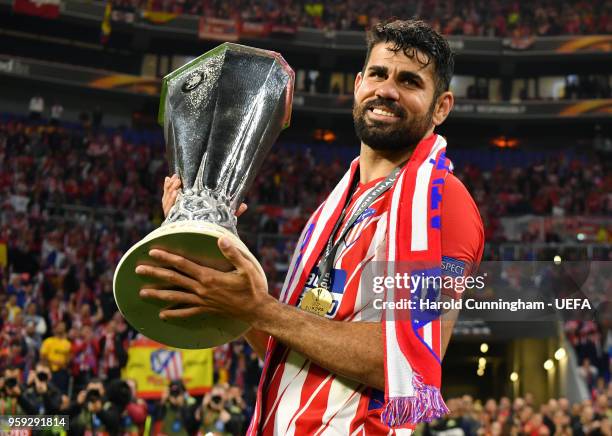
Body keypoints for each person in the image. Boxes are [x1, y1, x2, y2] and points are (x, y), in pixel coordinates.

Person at [150, 19, 484, 434]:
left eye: (410, 81)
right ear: (358, 84)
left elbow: (407, 361)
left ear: (441, 107)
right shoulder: (332, 205)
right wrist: (212, 249)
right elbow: (286, 351)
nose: (386, 90)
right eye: (378, 74)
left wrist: (262, 308)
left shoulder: (443, 205)